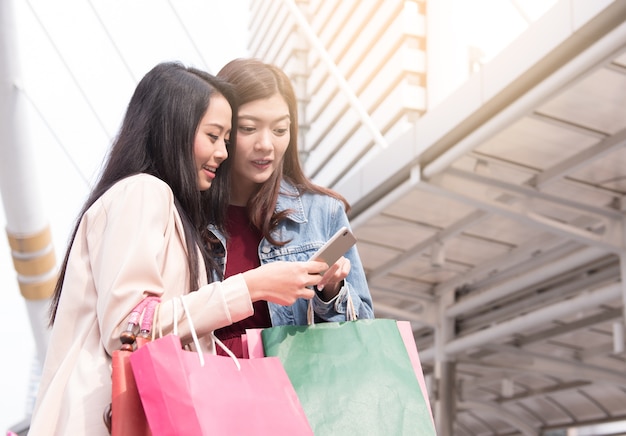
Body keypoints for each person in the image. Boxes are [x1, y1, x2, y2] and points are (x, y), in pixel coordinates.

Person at [28, 61, 329, 436]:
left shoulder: (159, 205)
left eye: (226, 139)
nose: (222, 152)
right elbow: (131, 327)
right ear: (176, 130)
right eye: (213, 135)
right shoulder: (144, 192)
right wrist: (253, 287)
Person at [208, 58, 375, 357]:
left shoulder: (323, 213)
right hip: (205, 394)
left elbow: (362, 338)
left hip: (293, 395)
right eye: (248, 128)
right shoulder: (185, 215)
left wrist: (330, 293)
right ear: (223, 128)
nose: (266, 144)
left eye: (280, 129)